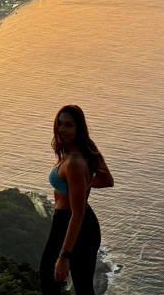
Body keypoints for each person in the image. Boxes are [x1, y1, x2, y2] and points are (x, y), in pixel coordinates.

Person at [40, 105, 114, 295]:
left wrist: (64, 256)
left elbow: (77, 212)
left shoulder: (74, 161)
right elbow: (105, 180)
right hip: (72, 223)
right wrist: (80, 186)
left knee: (60, 284)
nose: (62, 130)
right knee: (75, 286)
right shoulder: (76, 152)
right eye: (59, 124)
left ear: (78, 128)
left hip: (75, 223)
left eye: (69, 125)